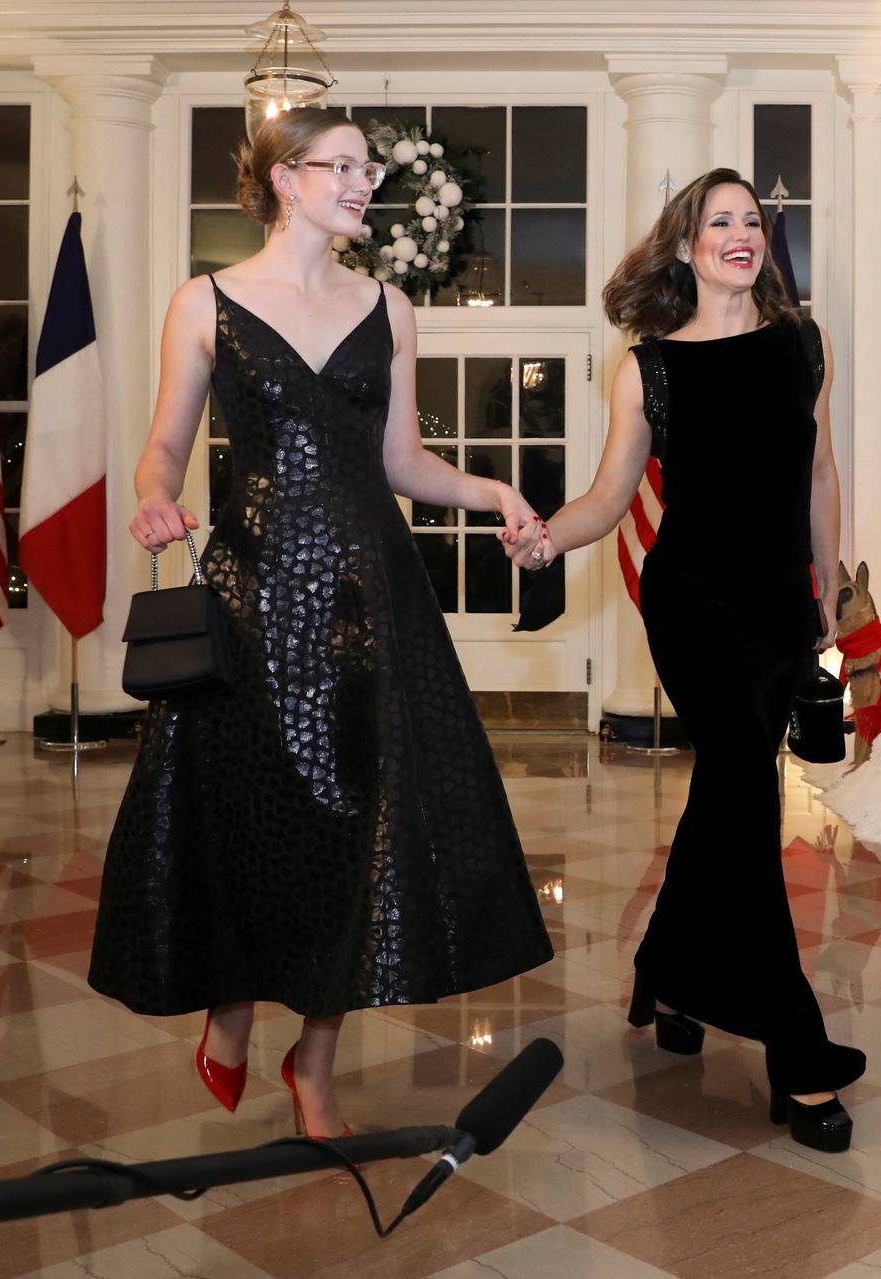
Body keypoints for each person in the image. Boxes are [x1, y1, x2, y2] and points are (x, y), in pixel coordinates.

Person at [88, 108, 554, 1140]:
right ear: (282, 177)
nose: (362, 183)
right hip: (250, 597)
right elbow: (164, 442)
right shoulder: (204, 302)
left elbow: (402, 463)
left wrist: (492, 489)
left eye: (369, 168)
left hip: (366, 599)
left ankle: (318, 1061)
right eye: (341, 166)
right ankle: (235, 1003)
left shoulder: (388, 305)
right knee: (245, 815)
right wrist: (153, 494)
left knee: (356, 827)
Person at [516, 169, 866, 1152]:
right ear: (686, 246)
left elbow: (820, 469)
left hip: (777, 604)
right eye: (720, 222)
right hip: (693, 608)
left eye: (752, 221)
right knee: (746, 801)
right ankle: (797, 1054)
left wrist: (827, 581)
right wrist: (548, 537)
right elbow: (608, 495)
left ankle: (665, 967)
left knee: (725, 795)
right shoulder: (649, 369)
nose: (740, 235)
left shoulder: (804, 344)